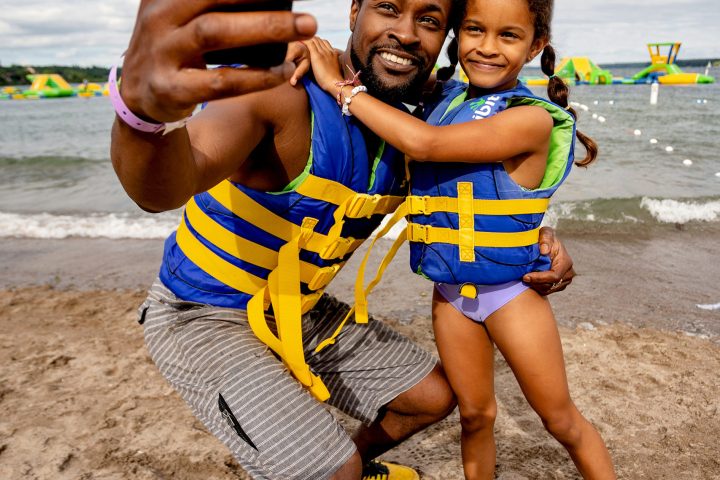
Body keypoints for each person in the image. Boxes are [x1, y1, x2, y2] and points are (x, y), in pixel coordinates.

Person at [110, 0, 576, 478]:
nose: (407, 33)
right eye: (388, 8)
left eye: (430, 20)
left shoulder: (420, 121)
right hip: (202, 312)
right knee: (335, 469)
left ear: (447, 39)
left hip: (297, 308)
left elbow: (488, 190)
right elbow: (164, 187)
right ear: (354, 12)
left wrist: (538, 234)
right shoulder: (281, 88)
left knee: (434, 397)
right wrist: (144, 116)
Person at [303, 0, 616, 478]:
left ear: (536, 46)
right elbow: (384, 70)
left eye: (508, 36)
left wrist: (339, 90)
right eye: (474, 30)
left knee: (559, 419)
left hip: (512, 295)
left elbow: (425, 145)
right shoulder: (444, 99)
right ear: (456, 34)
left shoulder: (530, 118)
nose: (487, 48)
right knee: (475, 415)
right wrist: (305, 51)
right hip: (450, 296)